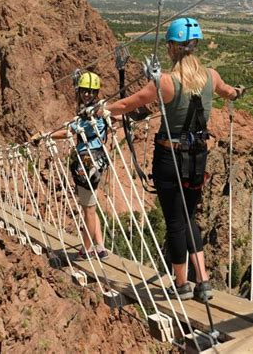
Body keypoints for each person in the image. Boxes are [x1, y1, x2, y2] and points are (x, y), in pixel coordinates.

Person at [101, 18, 244, 302]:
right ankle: (202, 280)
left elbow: (130, 104)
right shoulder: (211, 76)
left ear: (172, 48)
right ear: (195, 46)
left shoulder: (166, 82)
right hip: (198, 157)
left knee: (175, 221)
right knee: (190, 216)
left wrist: (101, 109)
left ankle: (181, 283)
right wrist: (238, 92)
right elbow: (229, 91)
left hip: (170, 157)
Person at [34, 72, 110, 261]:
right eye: (84, 90)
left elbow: (68, 132)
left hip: (87, 162)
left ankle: (87, 249)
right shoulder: (88, 111)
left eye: (90, 91)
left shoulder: (93, 112)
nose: (86, 94)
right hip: (96, 159)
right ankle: (100, 246)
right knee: (91, 204)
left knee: (88, 210)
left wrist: (45, 135)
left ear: (96, 92)